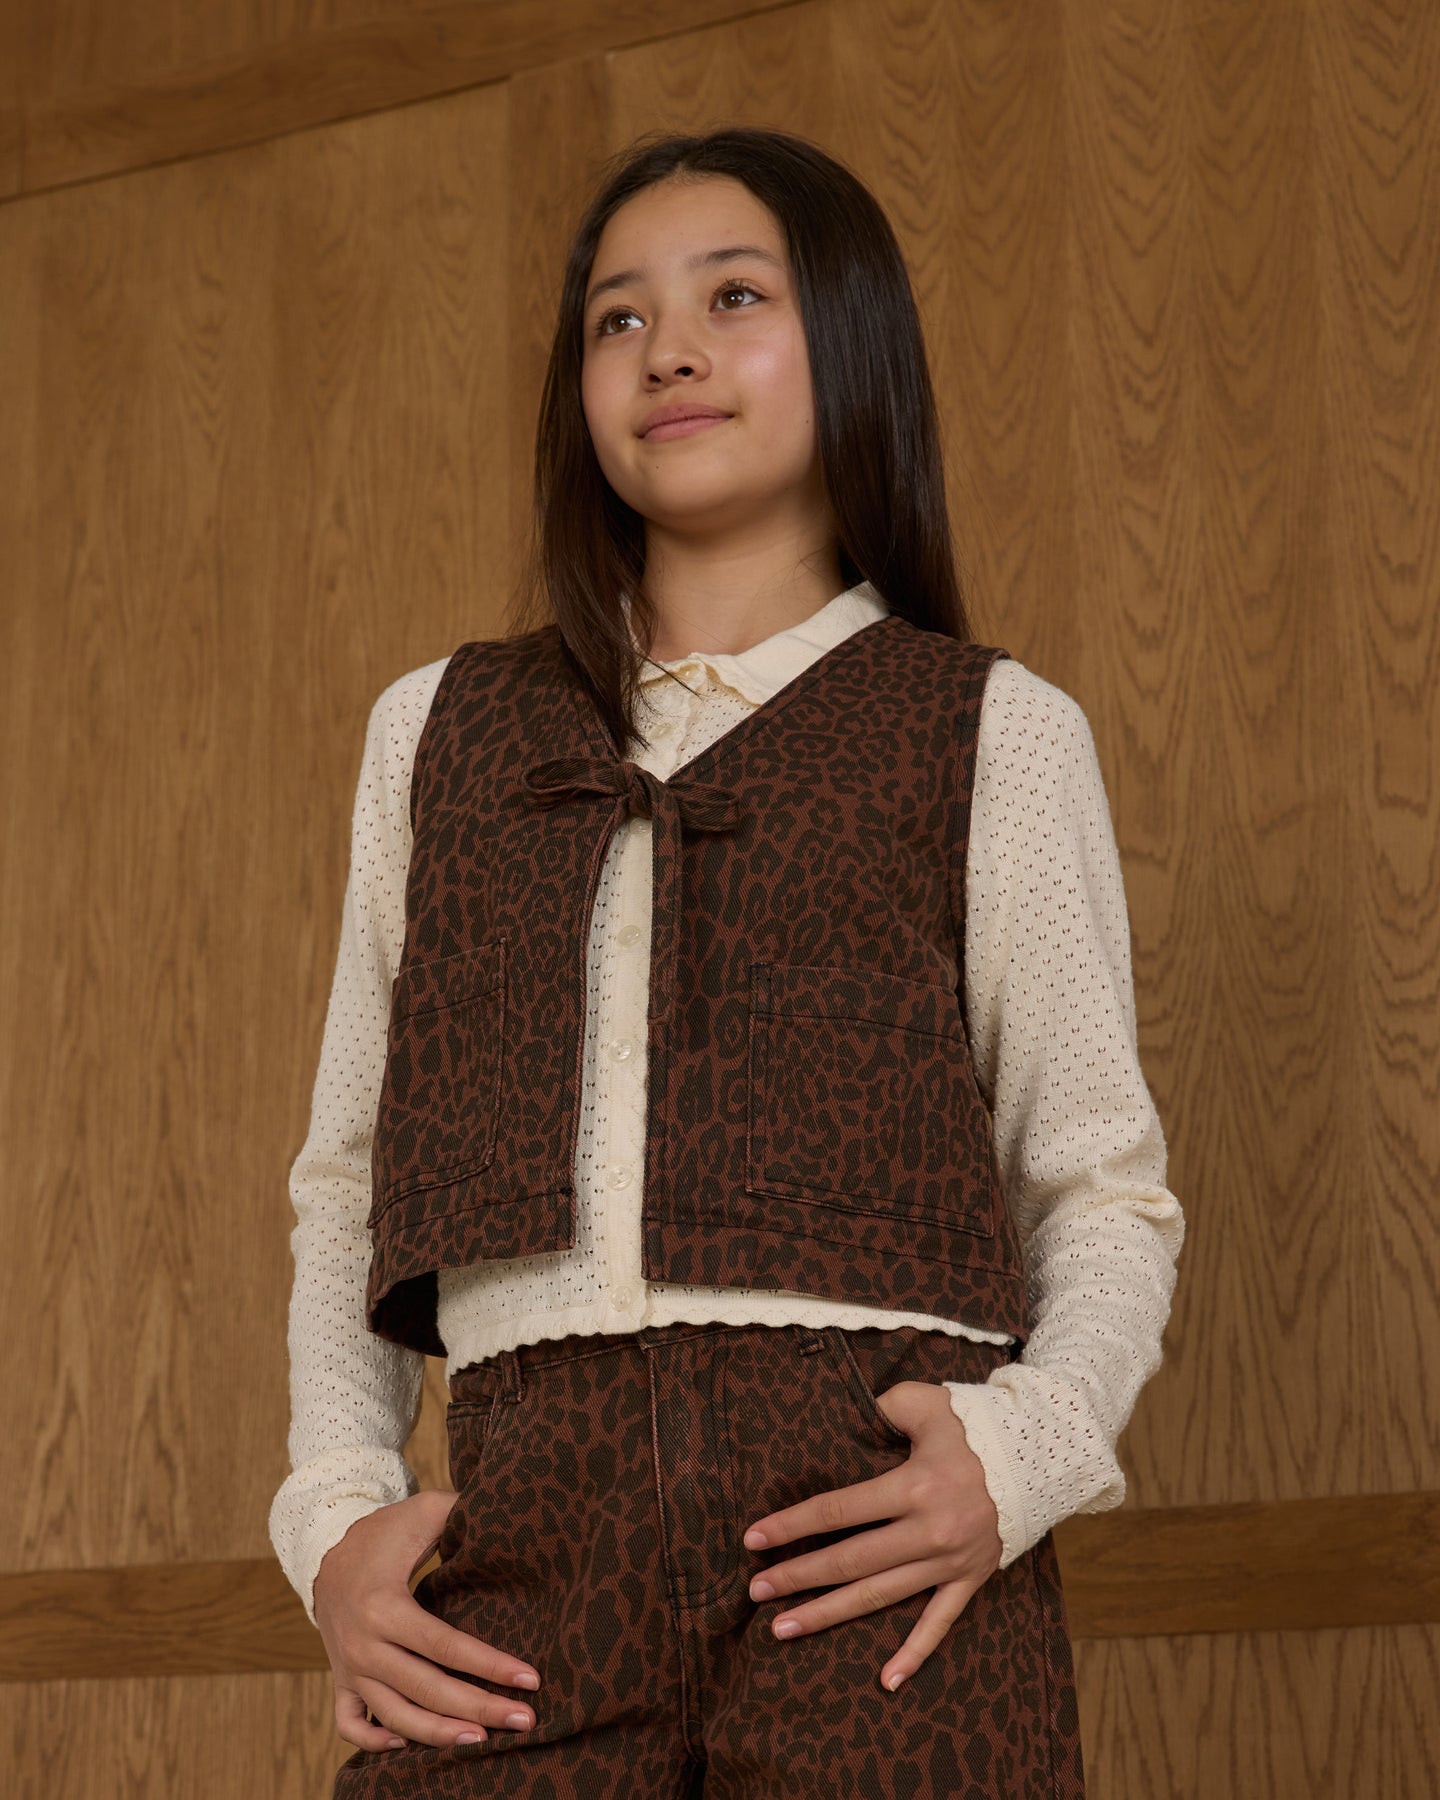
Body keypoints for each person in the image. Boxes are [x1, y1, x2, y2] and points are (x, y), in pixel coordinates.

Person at [269, 125, 1185, 1800]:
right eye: (617, 318)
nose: (667, 350)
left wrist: (1025, 1453)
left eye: (734, 297)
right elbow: (349, 1185)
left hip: (878, 1536)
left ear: (852, 339)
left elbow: (1099, 1187)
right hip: (525, 1554)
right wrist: (332, 1518)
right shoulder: (438, 734)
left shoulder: (992, 732)